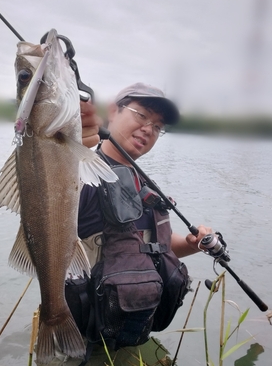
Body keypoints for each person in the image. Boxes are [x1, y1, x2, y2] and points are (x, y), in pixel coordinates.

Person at [69, 83, 213, 364]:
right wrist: (69, 138)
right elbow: (43, 180)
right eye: (142, 115)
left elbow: (153, 245)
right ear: (112, 112)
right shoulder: (81, 169)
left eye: (158, 126)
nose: (149, 128)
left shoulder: (144, 185)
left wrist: (192, 244)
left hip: (129, 333)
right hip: (78, 343)